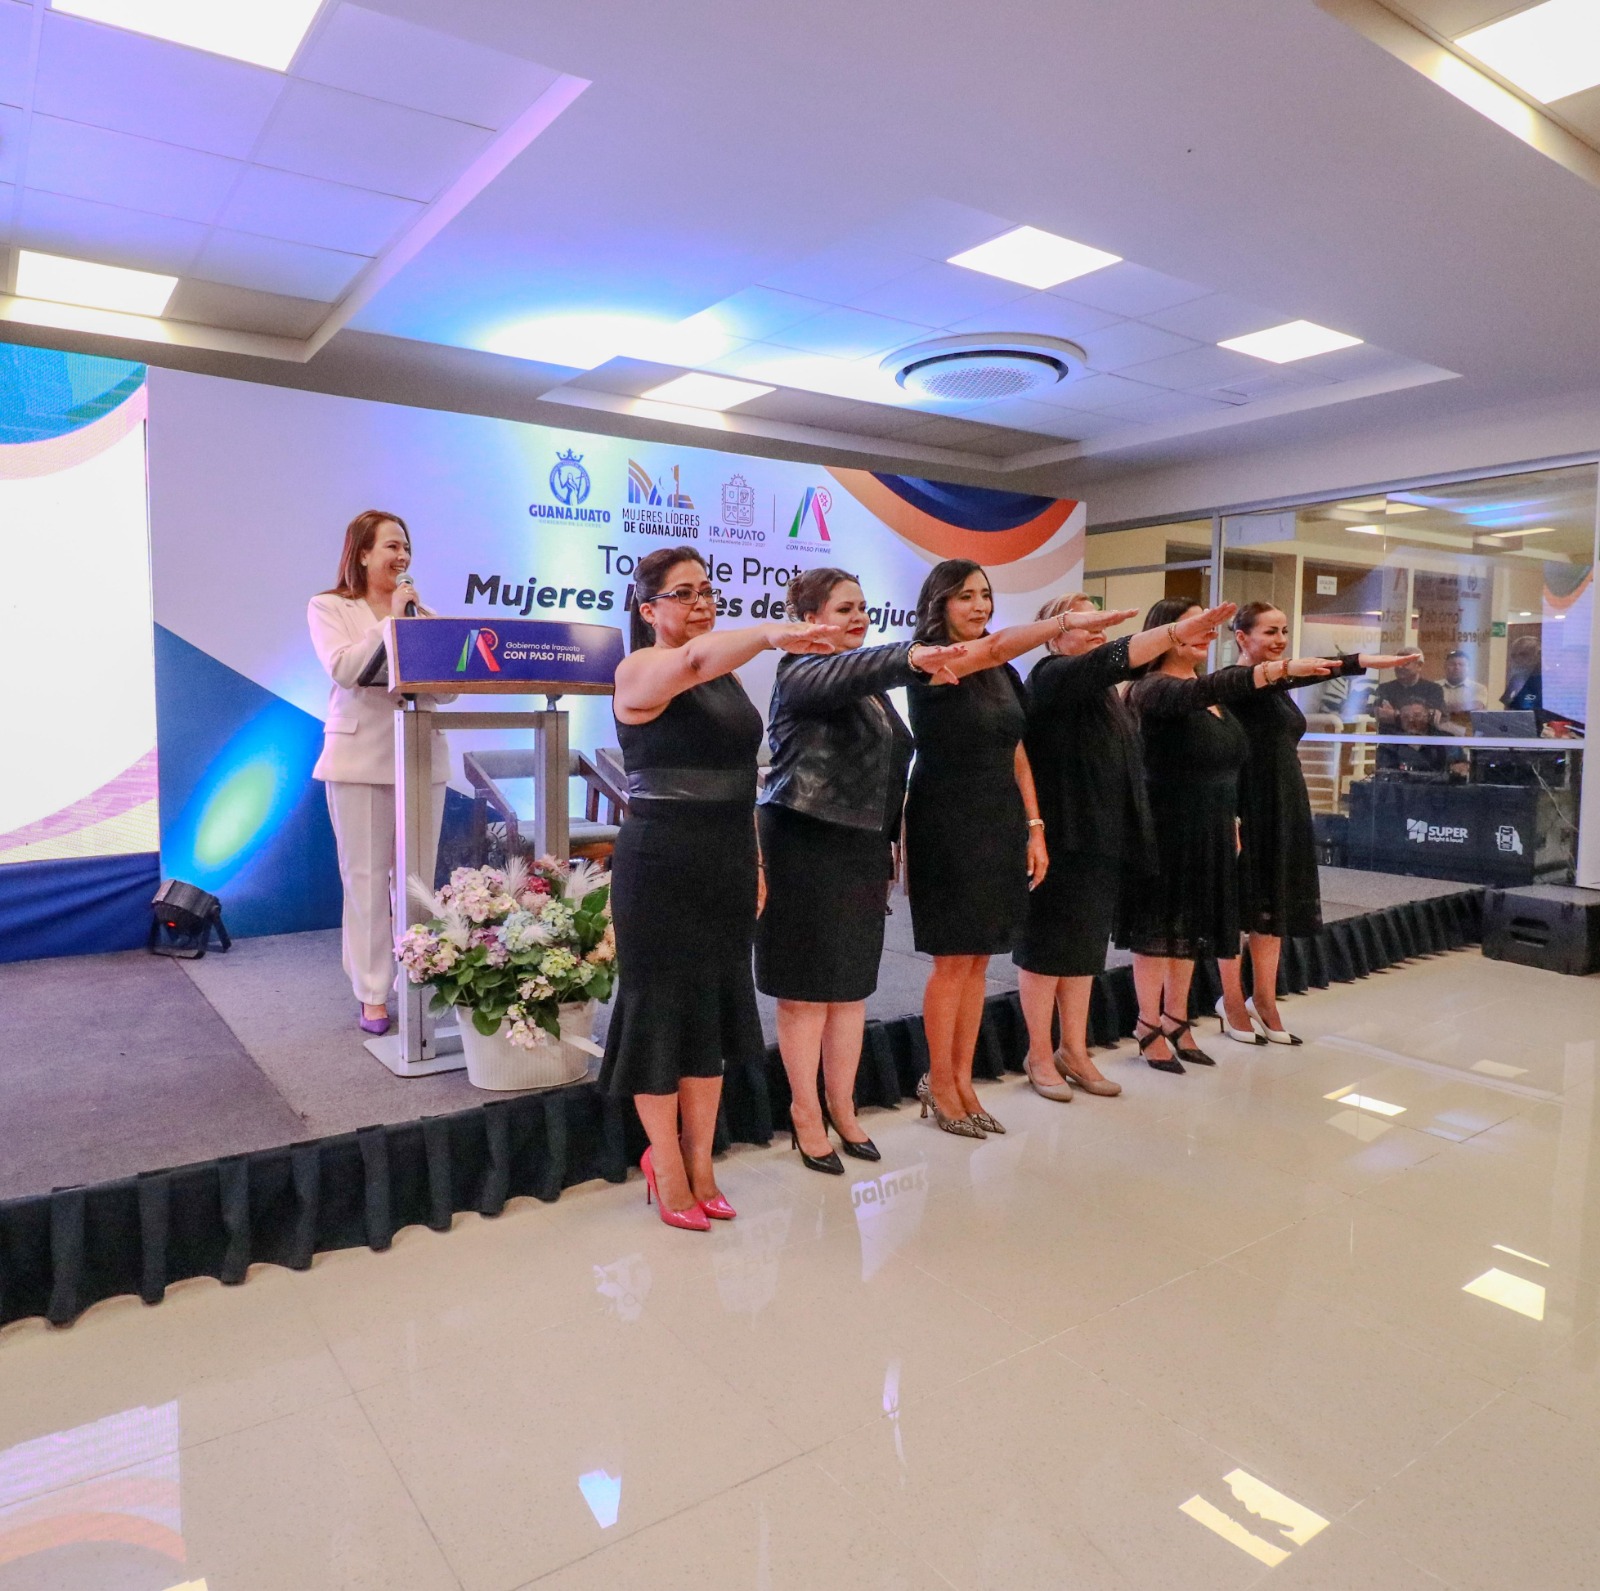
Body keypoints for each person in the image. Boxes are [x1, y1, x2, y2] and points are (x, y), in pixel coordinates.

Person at [599, 545, 840, 1231]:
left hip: (727, 856)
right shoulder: (639, 668)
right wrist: (770, 633)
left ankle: (702, 1163)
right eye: (684, 593)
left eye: (707, 590)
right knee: (658, 1014)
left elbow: (741, 779)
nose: (701, 602)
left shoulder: (724, 676)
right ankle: (666, 1164)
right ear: (649, 609)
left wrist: (755, 860)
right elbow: (693, 662)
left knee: (710, 1013)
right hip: (661, 862)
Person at [756, 568, 974, 1172]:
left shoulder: (868, 685)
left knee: (851, 988)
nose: (859, 618)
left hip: (858, 846)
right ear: (809, 620)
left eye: (863, 608)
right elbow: (856, 670)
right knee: (806, 991)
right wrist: (913, 656)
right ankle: (805, 1113)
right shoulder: (801, 671)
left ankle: (843, 1106)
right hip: (804, 840)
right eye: (844, 609)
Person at [904, 560, 1131, 1137]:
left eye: (984, 595)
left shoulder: (1002, 668)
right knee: (952, 959)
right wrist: (1065, 625)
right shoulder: (930, 659)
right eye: (965, 596)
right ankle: (939, 1080)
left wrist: (1034, 825)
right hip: (946, 818)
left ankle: (961, 1080)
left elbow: (1017, 750)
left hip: (999, 818)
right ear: (939, 602)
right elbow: (996, 646)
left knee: (979, 959)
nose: (979, 605)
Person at [1014, 594, 1236, 1102]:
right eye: (1086, 621)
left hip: (1100, 836)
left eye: (1101, 620)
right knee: (1046, 950)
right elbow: (1116, 659)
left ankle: (1074, 1049)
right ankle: (1039, 1053)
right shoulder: (1052, 674)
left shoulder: (1104, 696)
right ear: (1054, 634)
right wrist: (1177, 633)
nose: (1098, 629)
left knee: (1084, 953)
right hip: (1062, 837)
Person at [1117, 599, 1338, 1072]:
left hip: (1210, 823)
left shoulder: (1206, 692)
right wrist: (1282, 670)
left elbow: (1228, 756)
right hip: (1168, 824)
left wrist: (1233, 819)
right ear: (1165, 633)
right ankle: (1147, 1024)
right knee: (1160, 929)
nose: (1207, 633)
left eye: (1210, 624)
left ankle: (1177, 1019)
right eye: (1196, 625)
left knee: (1191, 929)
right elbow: (1215, 687)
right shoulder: (1154, 689)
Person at [1217, 603, 1421, 1044]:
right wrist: (1229, 816)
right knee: (1238, 905)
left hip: (1285, 799)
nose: (1280, 639)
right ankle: (1230, 1000)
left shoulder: (1279, 683)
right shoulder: (1231, 683)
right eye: (1270, 631)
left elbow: (1321, 668)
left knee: (1274, 901)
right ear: (1241, 637)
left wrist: (1369, 661)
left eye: (1284, 631)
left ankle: (1264, 999)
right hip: (1247, 802)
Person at [308, 510, 450, 1036]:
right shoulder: (330, 607)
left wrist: (417, 626)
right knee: (366, 881)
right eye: (391, 546)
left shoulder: (423, 614)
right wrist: (391, 621)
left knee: (416, 883)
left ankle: (418, 978)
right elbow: (345, 669)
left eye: (406, 546)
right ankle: (372, 993)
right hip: (359, 762)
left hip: (421, 759)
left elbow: (449, 691)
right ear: (363, 553)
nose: (402, 555)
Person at [1373, 656, 1445, 732]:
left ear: (1419, 666)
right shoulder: (1384, 688)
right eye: (1396, 663)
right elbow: (1379, 714)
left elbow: (1432, 719)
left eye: (1405, 663)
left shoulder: (1434, 688)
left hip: (1423, 737)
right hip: (1390, 736)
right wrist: (1416, 716)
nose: (1399, 666)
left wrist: (1396, 715)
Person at [1442, 649, 1489, 729]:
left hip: (1467, 733)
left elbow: (1477, 706)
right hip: (1438, 733)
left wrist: (1442, 709)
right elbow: (1427, 709)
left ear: (1468, 668)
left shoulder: (1479, 688)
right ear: (1445, 667)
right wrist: (1465, 708)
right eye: (1452, 664)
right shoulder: (1433, 687)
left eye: (1461, 664)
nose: (1457, 667)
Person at [1502, 635, 1543, 717]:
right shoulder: (1516, 679)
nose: (1518, 659)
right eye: (1513, 656)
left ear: (1539, 654)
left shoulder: (1553, 680)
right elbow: (1508, 709)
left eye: (1524, 654)